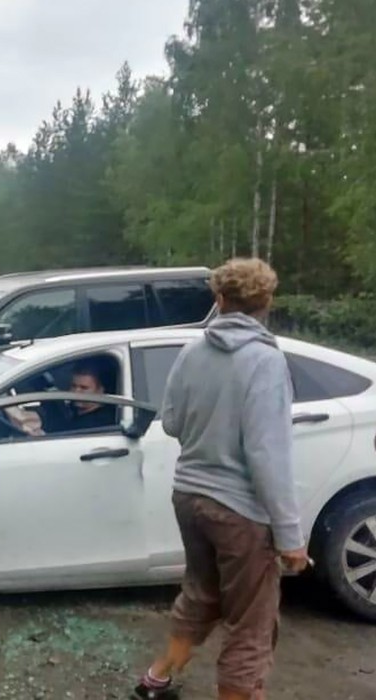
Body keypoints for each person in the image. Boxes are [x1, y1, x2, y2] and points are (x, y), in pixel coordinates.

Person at [132, 258, 309, 700]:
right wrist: (290, 537)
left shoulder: (192, 352)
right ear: (266, 303)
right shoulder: (265, 362)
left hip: (190, 497)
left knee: (200, 597)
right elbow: (268, 454)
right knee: (251, 625)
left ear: (219, 300)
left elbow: (170, 422)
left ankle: (156, 681)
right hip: (239, 512)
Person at [4, 359, 117, 436]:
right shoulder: (71, 410)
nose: (76, 392)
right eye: (74, 386)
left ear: (101, 390)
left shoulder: (99, 423)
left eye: (84, 388)